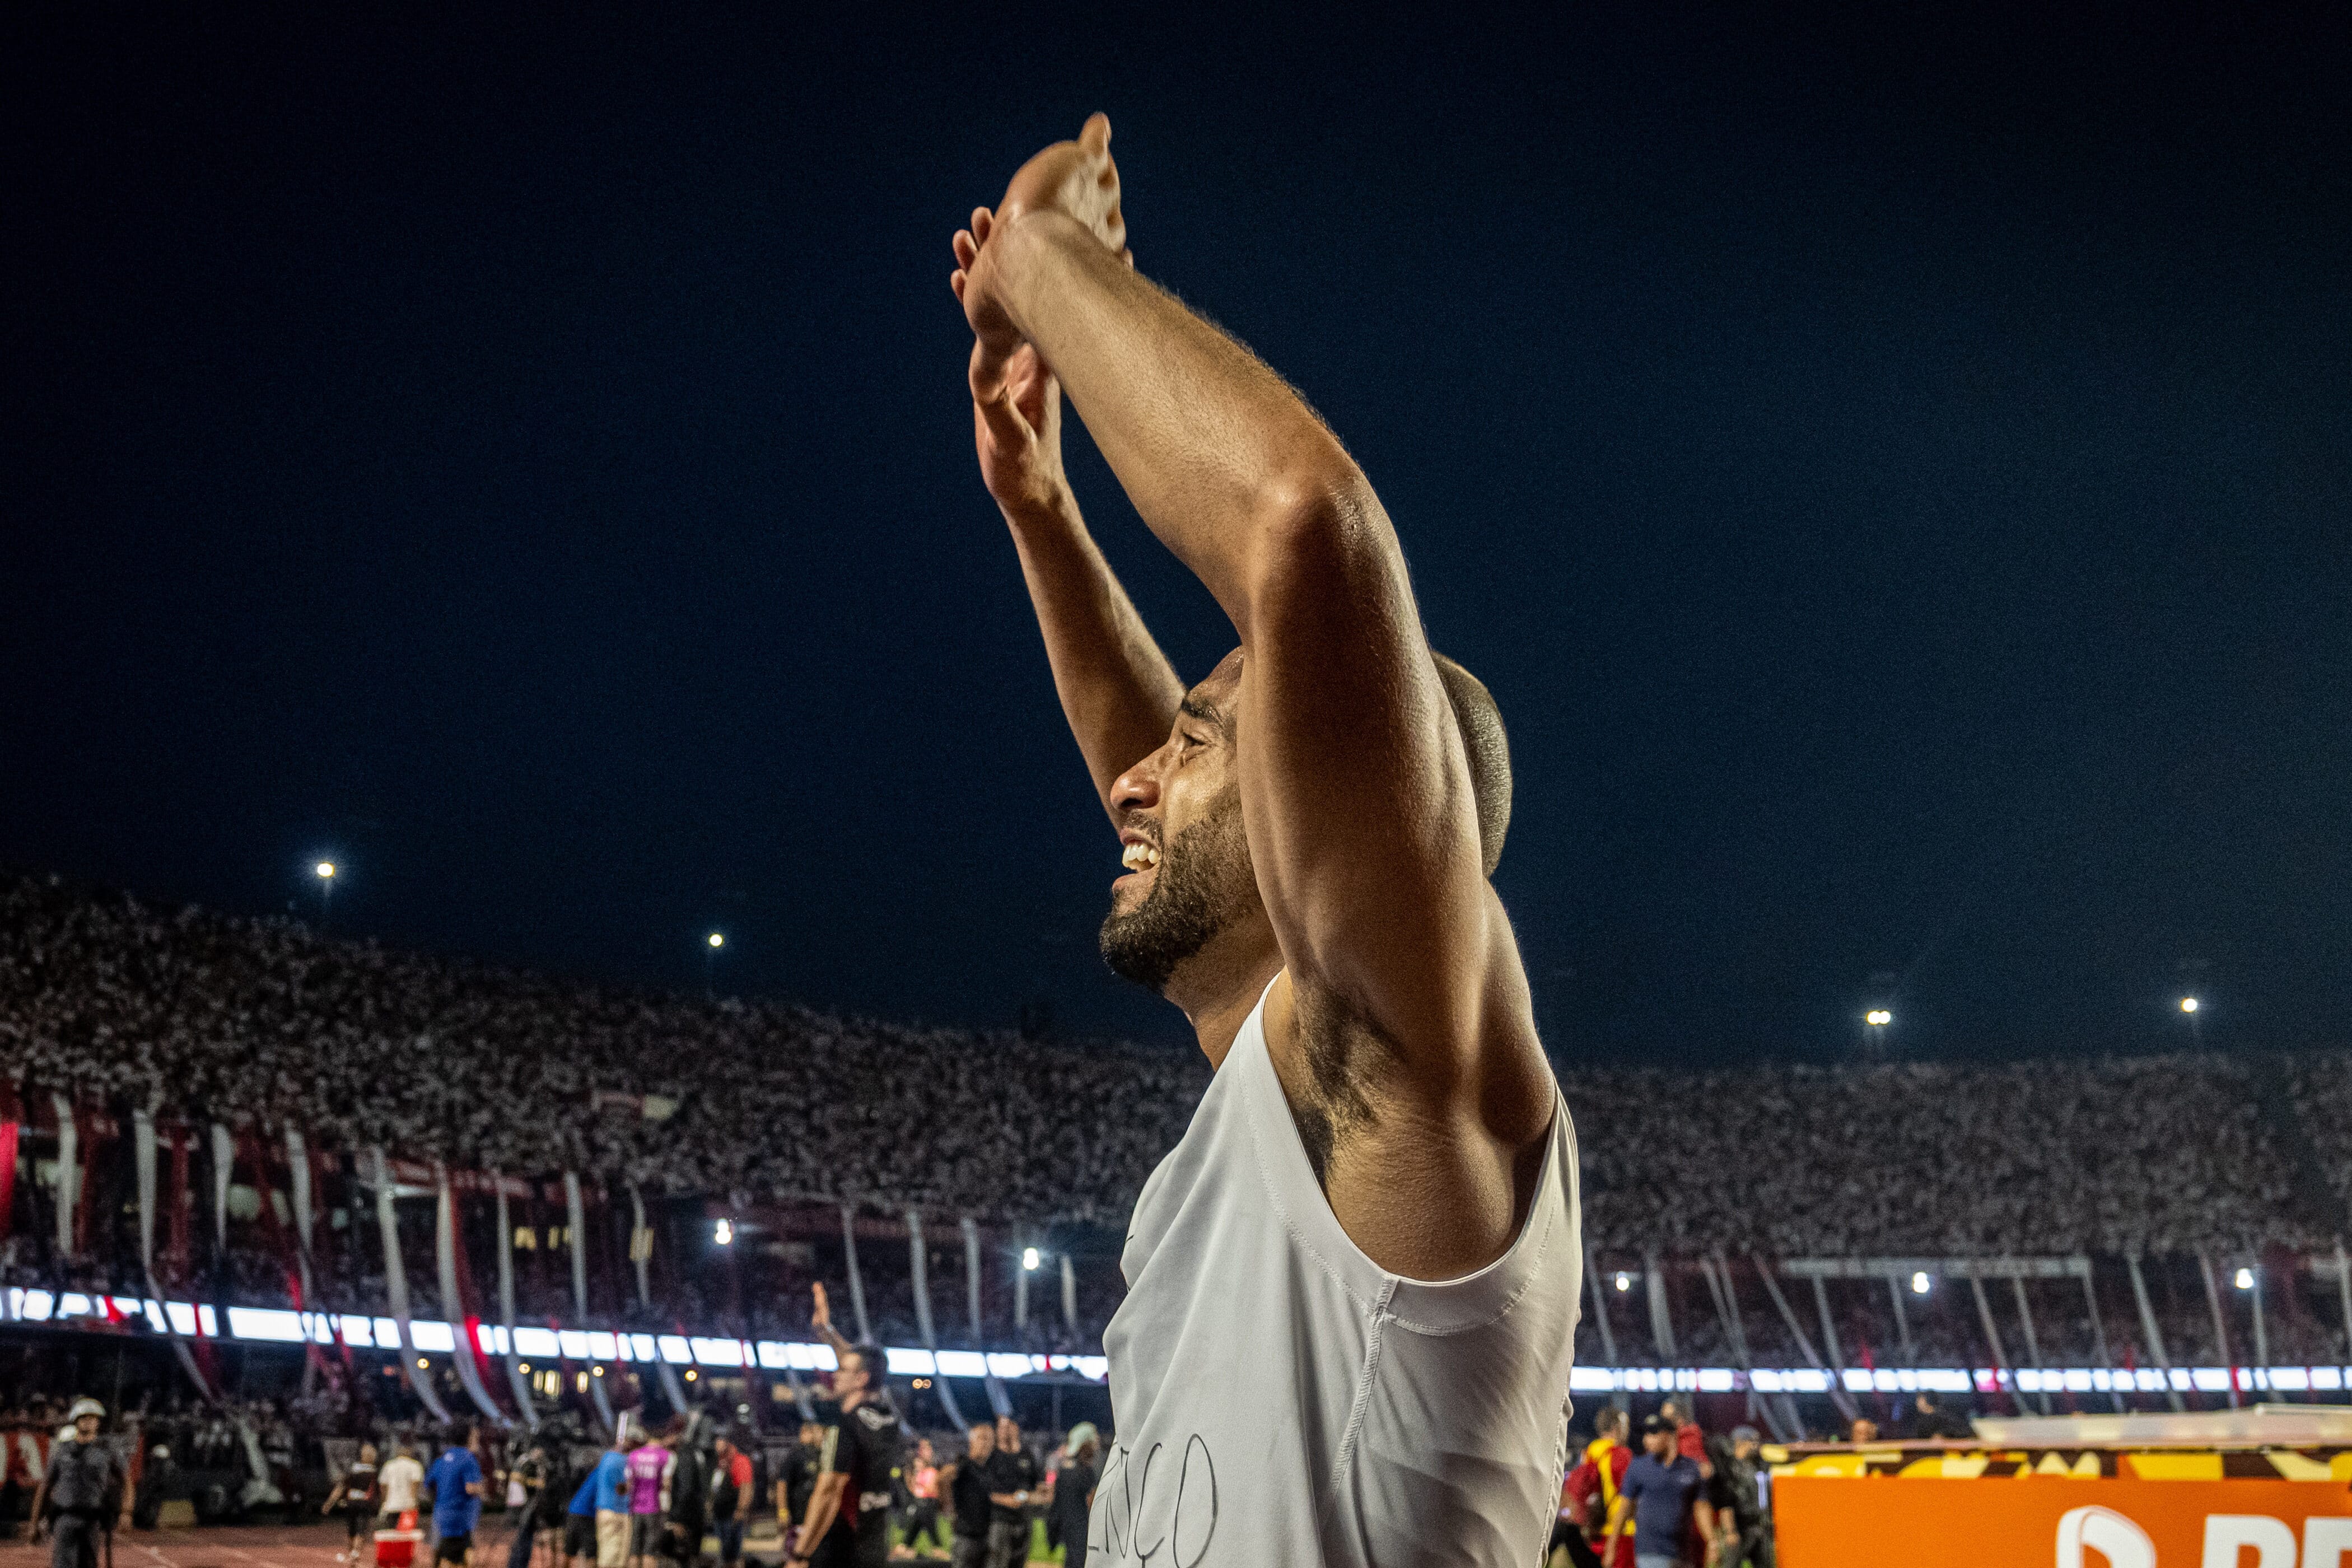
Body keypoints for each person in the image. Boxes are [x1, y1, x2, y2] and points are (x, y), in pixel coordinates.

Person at [948, 110, 1580, 1568]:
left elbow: (1302, 527)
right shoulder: (1285, 1084)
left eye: (1202, 739)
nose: (1129, 784)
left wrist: (1043, 259)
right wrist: (1040, 506)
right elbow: (1186, 804)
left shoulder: (1408, 1059)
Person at [784, 1313, 902, 1568]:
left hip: (840, 1548)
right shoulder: (890, 1420)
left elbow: (829, 1491)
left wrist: (800, 1555)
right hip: (874, 1548)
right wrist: (827, 1332)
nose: (835, 1375)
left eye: (842, 1370)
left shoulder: (845, 1427)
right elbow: (868, 1365)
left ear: (861, 1380)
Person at [30, 1398, 123, 1568]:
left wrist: (126, 1512)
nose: (89, 1421)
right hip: (65, 1518)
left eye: (94, 1418)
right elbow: (45, 1487)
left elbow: (126, 1481)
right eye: (84, 1417)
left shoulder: (107, 1452)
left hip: (93, 1520)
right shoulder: (61, 1452)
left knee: (88, 1564)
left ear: (99, 1422)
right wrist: (34, 1523)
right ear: (76, 1420)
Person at [1609, 1415, 1713, 1568]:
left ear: (1670, 1436)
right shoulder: (1638, 1467)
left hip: (1683, 1555)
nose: (1647, 1440)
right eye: (1646, 1434)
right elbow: (1624, 1508)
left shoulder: (1691, 1468)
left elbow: (1701, 1507)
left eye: (1653, 1433)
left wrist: (1712, 1541)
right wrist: (1612, 1546)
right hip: (1650, 1553)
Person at [1562, 1408, 1632, 1568]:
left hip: (1593, 1530)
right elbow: (1629, 1496)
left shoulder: (1588, 1453)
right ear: (1617, 1428)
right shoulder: (1621, 1455)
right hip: (1621, 1533)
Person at [1705, 1426, 1772, 1568]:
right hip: (1740, 1526)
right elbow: (1726, 1501)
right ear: (1740, 1442)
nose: (1756, 1446)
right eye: (1752, 1442)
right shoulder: (1730, 1468)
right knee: (1732, 1564)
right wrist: (1730, 1531)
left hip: (1761, 1525)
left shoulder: (1759, 1466)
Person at [979, 1418, 1036, 1568]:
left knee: (1018, 1563)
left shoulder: (1026, 1455)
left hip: (1023, 1520)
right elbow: (985, 1491)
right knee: (997, 1563)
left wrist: (1020, 1497)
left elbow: (1033, 1487)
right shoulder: (992, 1457)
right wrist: (1008, 1500)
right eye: (1002, 1428)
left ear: (1016, 1428)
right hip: (999, 1520)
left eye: (1008, 1427)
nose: (1005, 1431)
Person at [424, 1427, 485, 1568]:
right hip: (459, 1519)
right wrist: (482, 1487)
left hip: (442, 1515)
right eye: (475, 1437)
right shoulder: (468, 1458)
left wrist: (442, 1500)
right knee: (452, 1560)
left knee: (458, 1555)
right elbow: (470, 1488)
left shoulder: (442, 1459)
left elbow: (428, 1484)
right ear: (469, 1438)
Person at [1040, 1425, 1097, 1568]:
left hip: (1070, 1532)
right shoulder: (1087, 1472)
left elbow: (1056, 1506)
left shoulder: (1066, 1471)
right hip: (1084, 1532)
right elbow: (1091, 1501)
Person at [943, 1424, 996, 1568]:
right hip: (965, 1538)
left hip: (985, 1537)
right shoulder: (965, 1465)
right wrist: (948, 1508)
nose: (985, 1443)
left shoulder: (988, 1469)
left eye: (989, 1439)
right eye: (981, 1438)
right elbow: (944, 1477)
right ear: (972, 1441)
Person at [323, 1442, 381, 1562]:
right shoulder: (374, 1472)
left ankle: (352, 1552)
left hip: (351, 1501)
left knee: (352, 1527)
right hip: (365, 1502)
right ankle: (356, 1552)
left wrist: (329, 1503)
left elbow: (340, 1487)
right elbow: (378, 1490)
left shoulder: (354, 1470)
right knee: (362, 1528)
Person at [624, 1432, 671, 1567]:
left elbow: (628, 1484)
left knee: (634, 1550)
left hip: (635, 1507)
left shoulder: (634, 1455)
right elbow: (667, 1484)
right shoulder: (665, 1456)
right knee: (650, 1551)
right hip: (654, 1507)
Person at [708, 1432, 754, 1568]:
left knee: (733, 1553)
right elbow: (713, 1488)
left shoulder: (740, 1460)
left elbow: (746, 1487)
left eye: (720, 1441)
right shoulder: (716, 1461)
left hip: (732, 1513)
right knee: (722, 1550)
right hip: (719, 1513)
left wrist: (741, 1510)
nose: (717, 1445)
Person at [773, 1422, 823, 1543]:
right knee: (797, 1551)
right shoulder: (795, 1454)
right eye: (818, 1431)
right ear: (807, 1432)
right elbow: (782, 1484)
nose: (821, 1436)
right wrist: (783, 1512)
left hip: (813, 1515)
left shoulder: (818, 1453)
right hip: (799, 1516)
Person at [897, 1439, 945, 1562]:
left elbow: (932, 1489)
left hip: (928, 1503)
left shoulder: (932, 1472)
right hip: (919, 1503)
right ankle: (907, 1547)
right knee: (916, 1528)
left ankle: (936, 1549)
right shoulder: (920, 1473)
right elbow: (914, 1490)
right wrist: (909, 1477)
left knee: (928, 1528)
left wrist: (920, 1483)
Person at [381, 1443, 427, 1532]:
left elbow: (383, 1485)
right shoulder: (415, 1466)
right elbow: (415, 1485)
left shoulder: (389, 1465)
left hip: (391, 1505)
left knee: (392, 1535)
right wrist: (414, 1502)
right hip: (407, 1506)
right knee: (406, 1535)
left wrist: (385, 1500)